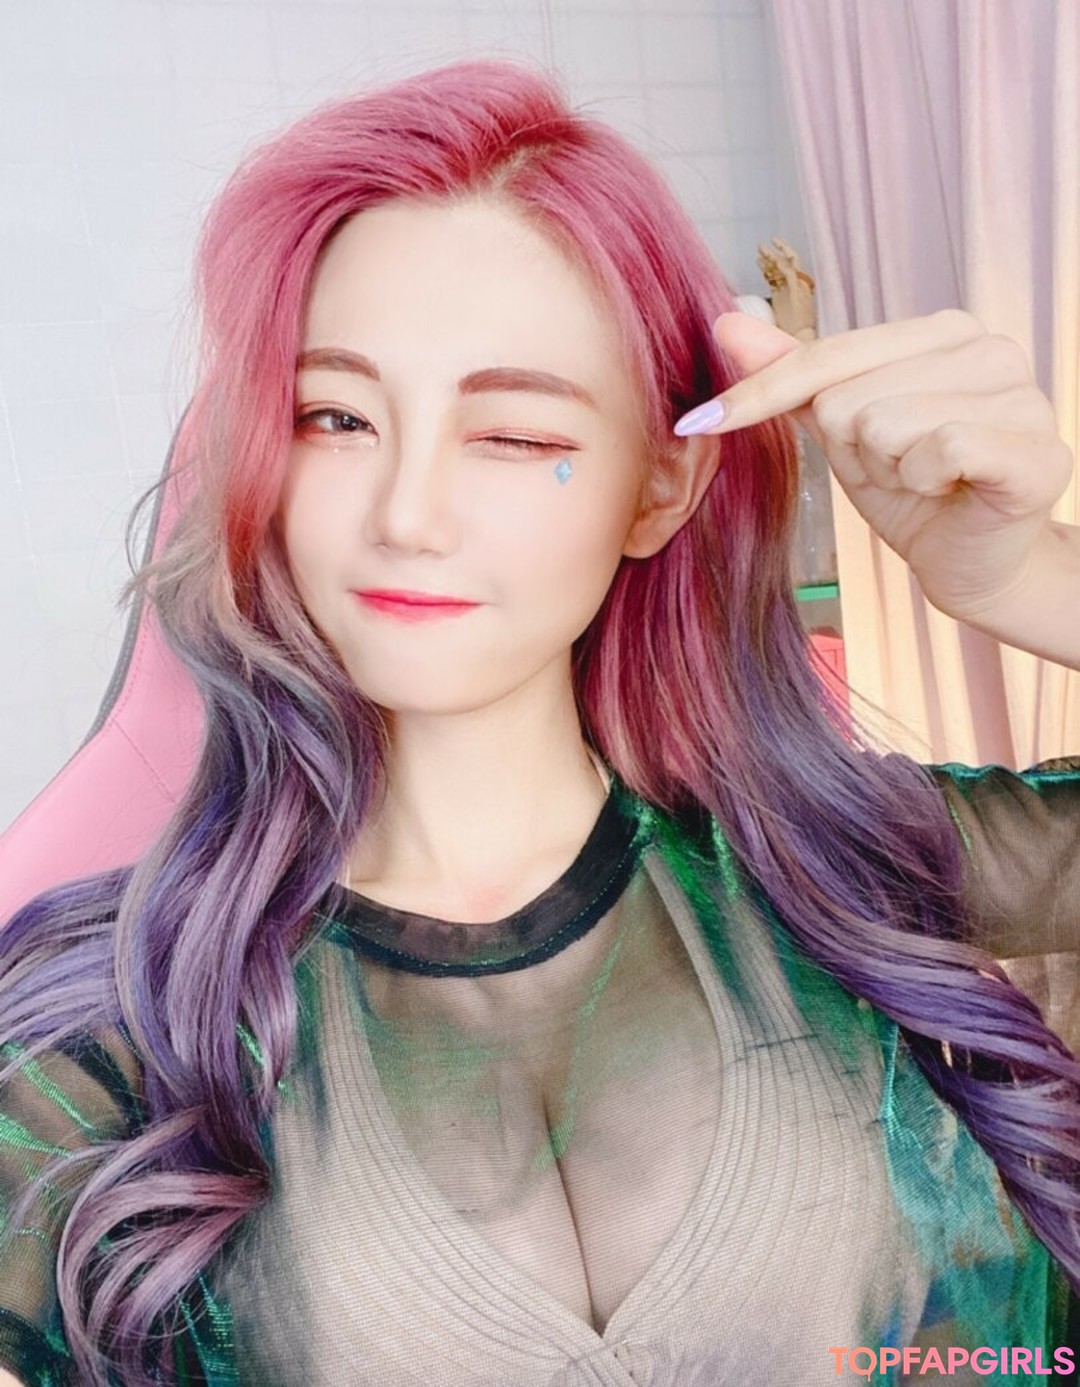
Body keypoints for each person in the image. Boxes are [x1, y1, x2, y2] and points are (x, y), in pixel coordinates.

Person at [1, 55, 1079, 1387]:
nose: (406, 515)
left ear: (660, 487)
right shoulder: (120, 1027)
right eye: (335, 418)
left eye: (512, 435)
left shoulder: (852, 869)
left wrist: (1030, 582)